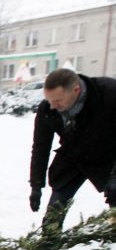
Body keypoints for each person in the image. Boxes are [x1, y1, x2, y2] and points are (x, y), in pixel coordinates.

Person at [29, 67, 116, 233]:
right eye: (49, 100)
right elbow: (40, 146)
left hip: (108, 156)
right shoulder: (48, 108)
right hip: (73, 155)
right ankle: (49, 245)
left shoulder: (109, 94)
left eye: (58, 101)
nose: (53, 106)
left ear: (76, 90)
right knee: (54, 213)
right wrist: (36, 185)